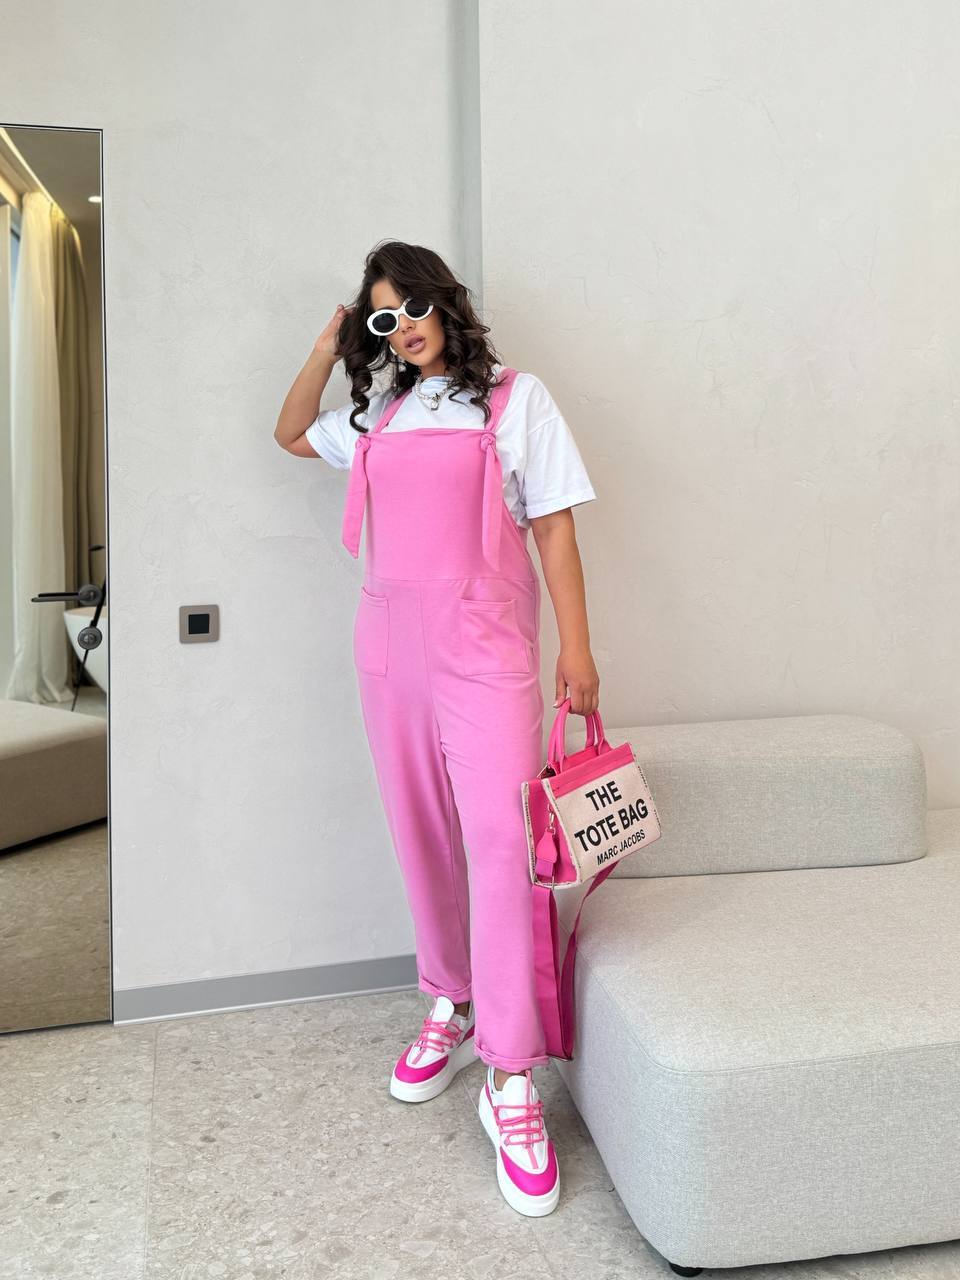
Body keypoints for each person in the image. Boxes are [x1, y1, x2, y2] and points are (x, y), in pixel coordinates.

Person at [275, 240, 599, 1217]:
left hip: (485, 652)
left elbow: (554, 525)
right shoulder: (377, 413)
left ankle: (511, 1071)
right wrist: (330, 345)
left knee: (499, 843)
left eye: (412, 305)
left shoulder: (514, 400)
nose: (403, 326)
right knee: (422, 834)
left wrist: (578, 650)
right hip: (390, 654)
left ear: (443, 302)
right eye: (384, 317)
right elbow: (288, 433)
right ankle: (449, 1001)